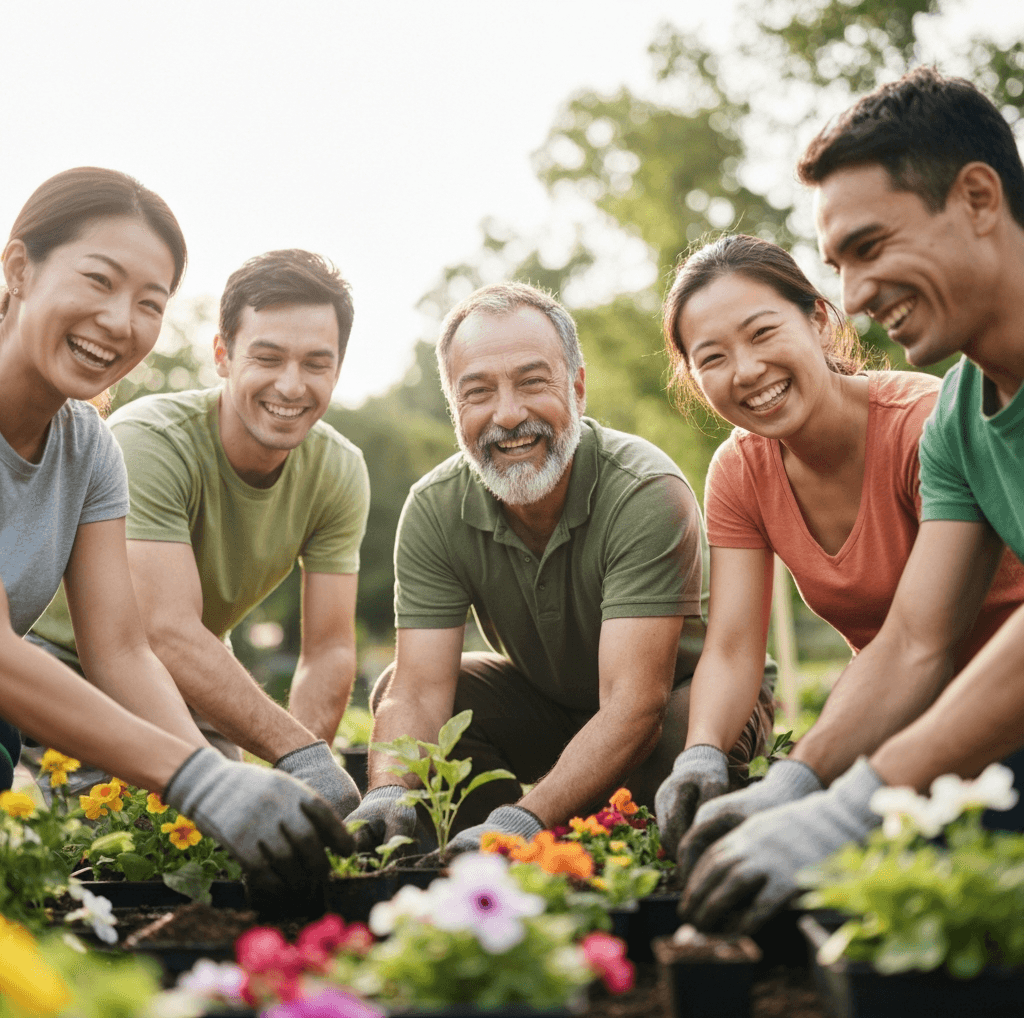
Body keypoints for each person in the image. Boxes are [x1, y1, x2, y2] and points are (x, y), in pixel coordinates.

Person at [673, 65, 1024, 934]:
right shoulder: (960, 420)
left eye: (871, 248)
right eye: (841, 265)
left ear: (978, 196)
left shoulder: (911, 424)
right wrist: (797, 784)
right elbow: (912, 641)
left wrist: (859, 799)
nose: (858, 297)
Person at [0, 167, 352, 898]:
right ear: (18, 267)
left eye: (149, 303)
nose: (120, 321)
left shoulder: (89, 447)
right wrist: (194, 775)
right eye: (98, 280)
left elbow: (123, 649)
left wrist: (209, 786)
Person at [342, 281, 775, 856]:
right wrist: (387, 794)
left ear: (576, 387)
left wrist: (523, 821)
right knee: (418, 693)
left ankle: (636, 862)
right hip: (554, 705)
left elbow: (633, 706)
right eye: (478, 392)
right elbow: (419, 690)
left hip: (680, 698)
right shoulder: (434, 507)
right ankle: (469, 866)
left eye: (532, 382)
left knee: (681, 728)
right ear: (454, 409)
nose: (509, 414)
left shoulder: (644, 490)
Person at [653, 233, 1024, 862]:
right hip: (889, 718)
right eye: (712, 357)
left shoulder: (923, 425)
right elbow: (735, 645)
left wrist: (804, 780)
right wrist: (703, 751)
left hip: (999, 707)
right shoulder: (740, 471)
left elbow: (916, 639)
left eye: (762, 332)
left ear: (820, 320)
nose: (746, 370)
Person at [28, 249, 369, 818]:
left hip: (191, 683)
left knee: (237, 841)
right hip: (66, 667)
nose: (292, 385)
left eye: (317, 363)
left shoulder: (339, 470)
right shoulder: (152, 440)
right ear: (222, 355)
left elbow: (329, 648)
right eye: (268, 357)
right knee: (115, 838)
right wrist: (296, 753)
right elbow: (165, 631)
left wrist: (308, 776)